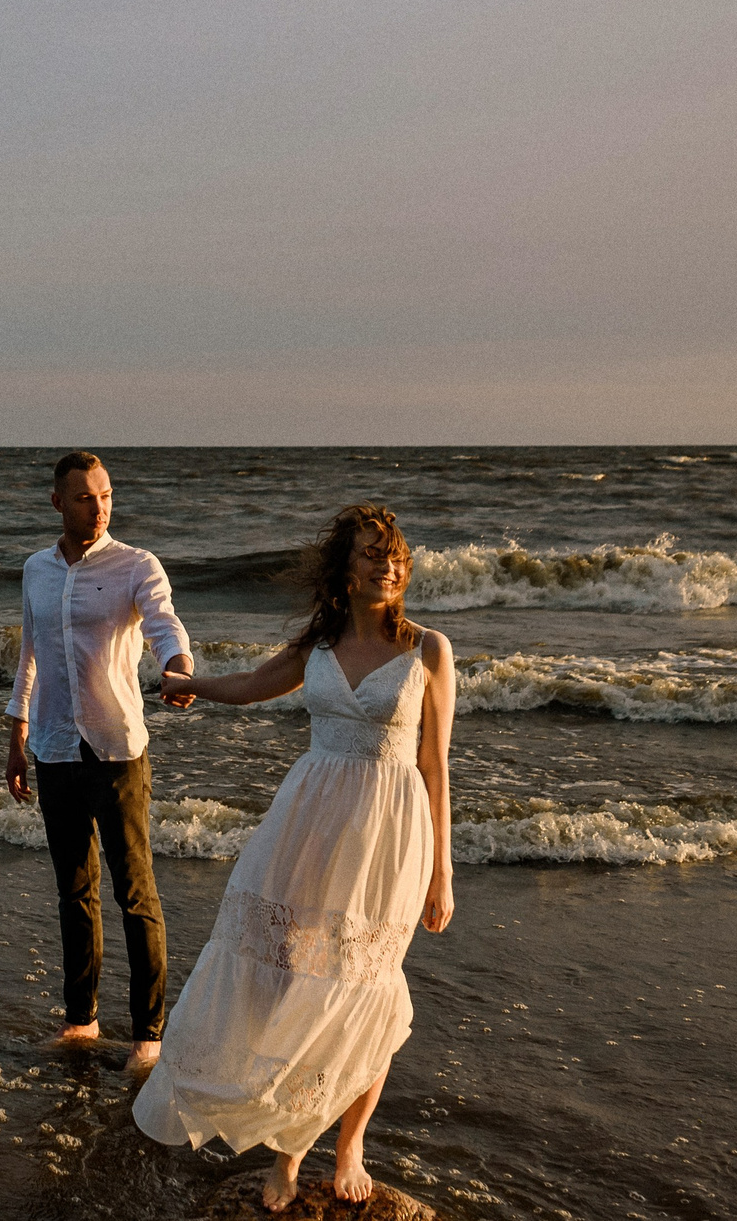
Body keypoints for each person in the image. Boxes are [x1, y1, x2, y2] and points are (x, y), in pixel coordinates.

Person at [133, 503, 455, 1212]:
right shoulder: (318, 644)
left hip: (387, 839)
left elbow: (436, 764)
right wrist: (190, 685)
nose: (386, 563)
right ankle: (290, 1151)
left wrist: (442, 872)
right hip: (306, 827)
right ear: (344, 568)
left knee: (367, 989)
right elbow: (252, 684)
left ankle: (350, 1144)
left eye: (394, 553)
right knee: (291, 981)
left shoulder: (428, 649)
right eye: (371, 552)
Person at [4, 450, 196, 1080]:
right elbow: (30, 654)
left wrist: (178, 667)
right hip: (54, 748)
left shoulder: (135, 565)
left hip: (117, 751)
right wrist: (17, 733)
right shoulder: (36, 569)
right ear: (58, 502)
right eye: (85, 497)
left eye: (107, 495)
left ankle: (149, 1033)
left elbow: (166, 625)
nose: (99, 507)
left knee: (133, 890)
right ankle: (81, 1019)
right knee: (73, 891)